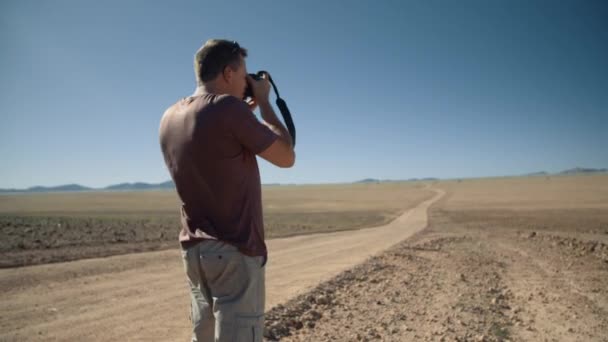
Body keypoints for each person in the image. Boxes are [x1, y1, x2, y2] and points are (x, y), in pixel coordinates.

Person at [159, 39, 295, 342]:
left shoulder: (169, 117)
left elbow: (215, 143)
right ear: (228, 73)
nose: (248, 82)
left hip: (195, 252)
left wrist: (244, 113)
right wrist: (266, 106)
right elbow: (287, 156)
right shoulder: (229, 110)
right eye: (244, 74)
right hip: (235, 250)